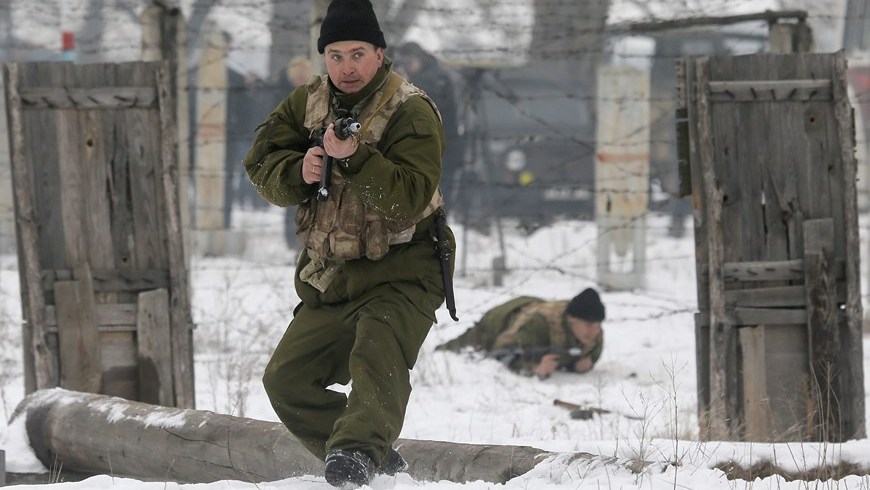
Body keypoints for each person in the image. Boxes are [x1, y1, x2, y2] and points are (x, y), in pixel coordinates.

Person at [242, 0, 455, 487]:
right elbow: (259, 164)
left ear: (379, 54)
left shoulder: (411, 110)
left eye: (358, 54)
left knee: (377, 350)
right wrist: (297, 171)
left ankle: (356, 455)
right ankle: (377, 458)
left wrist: (355, 157)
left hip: (405, 269)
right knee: (287, 380)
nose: (347, 68)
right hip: (334, 273)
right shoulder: (308, 102)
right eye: (335, 56)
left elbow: (407, 199)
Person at [437, 288, 605, 379]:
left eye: (597, 325)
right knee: (444, 354)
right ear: (571, 320)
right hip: (494, 327)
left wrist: (575, 366)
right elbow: (501, 353)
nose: (593, 331)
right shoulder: (537, 326)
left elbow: (588, 356)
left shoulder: (594, 337)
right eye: (588, 325)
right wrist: (534, 369)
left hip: (527, 311)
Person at [394, 42, 463, 204]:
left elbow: (430, 104)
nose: (407, 67)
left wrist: (407, 84)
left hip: (442, 149)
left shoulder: (436, 78)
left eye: (409, 62)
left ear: (418, 59)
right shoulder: (429, 76)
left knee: (438, 199)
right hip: (426, 150)